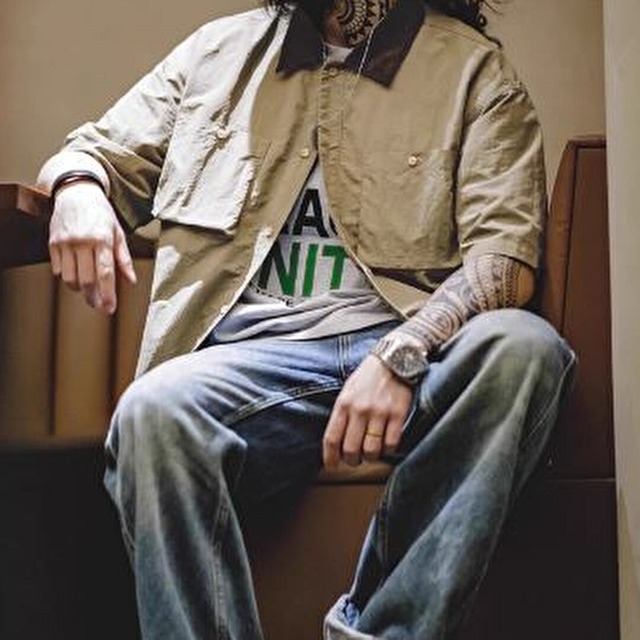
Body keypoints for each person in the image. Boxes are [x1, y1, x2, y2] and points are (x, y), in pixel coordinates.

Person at [36, 0, 575, 638]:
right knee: (153, 411)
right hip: (246, 367)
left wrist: (400, 356)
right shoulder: (217, 53)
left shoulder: (474, 72)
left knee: (523, 347)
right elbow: (96, 152)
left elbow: (504, 262)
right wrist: (78, 189)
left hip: (409, 353)